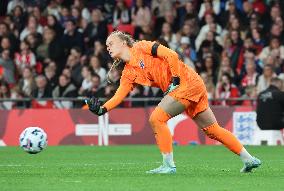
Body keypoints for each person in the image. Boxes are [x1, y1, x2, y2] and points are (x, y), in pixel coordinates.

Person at [85, 31, 261, 174]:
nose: (108, 47)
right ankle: (249, 159)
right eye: (107, 45)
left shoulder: (142, 46)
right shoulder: (128, 73)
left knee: (157, 118)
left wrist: (175, 78)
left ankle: (168, 165)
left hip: (186, 83)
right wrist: (102, 109)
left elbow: (171, 54)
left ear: (123, 42)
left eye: (111, 43)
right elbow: (118, 96)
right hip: (192, 85)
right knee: (212, 130)